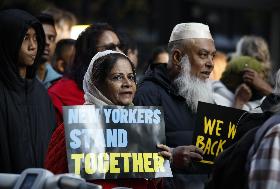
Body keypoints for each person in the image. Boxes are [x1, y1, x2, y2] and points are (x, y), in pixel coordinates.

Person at [45, 50, 159, 189]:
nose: (127, 83)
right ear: (97, 84)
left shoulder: (144, 128)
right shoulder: (76, 127)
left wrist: (161, 165)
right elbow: (51, 181)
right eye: (117, 77)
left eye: (131, 77)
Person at [134, 22, 216, 189]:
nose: (211, 63)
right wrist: (171, 157)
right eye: (203, 55)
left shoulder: (205, 95)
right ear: (178, 57)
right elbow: (134, 160)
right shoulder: (148, 94)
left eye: (212, 56)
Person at [0, 9, 56, 173]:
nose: (33, 46)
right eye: (25, 38)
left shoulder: (40, 93)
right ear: (8, 41)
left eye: (35, 38)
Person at [47, 23, 121, 127]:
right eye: (110, 48)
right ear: (89, 53)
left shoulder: (124, 92)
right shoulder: (58, 94)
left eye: (120, 47)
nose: (120, 53)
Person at [36, 13, 62, 88]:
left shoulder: (61, 82)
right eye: (41, 37)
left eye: (51, 38)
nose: (47, 42)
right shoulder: (18, 81)